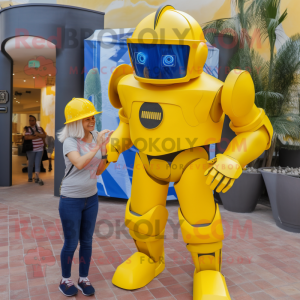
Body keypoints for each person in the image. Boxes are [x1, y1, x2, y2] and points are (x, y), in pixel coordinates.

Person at [57, 98, 113, 297]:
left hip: (91, 198)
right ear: (75, 122)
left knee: (87, 241)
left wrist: (105, 150)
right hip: (71, 199)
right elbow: (79, 163)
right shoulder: (70, 142)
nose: (92, 121)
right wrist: (98, 147)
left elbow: (98, 171)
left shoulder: (96, 137)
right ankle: (65, 279)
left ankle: (83, 278)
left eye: (93, 118)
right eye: (86, 118)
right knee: (71, 243)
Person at [23, 115, 46, 185]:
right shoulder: (27, 129)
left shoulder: (40, 128)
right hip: (31, 149)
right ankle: (30, 177)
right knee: (30, 163)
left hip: (40, 148)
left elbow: (44, 135)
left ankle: (36, 178)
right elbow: (26, 137)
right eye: (30, 120)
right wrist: (37, 136)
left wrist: (37, 134)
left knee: (37, 163)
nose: (31, 122)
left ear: (35, 121)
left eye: (32, 120)